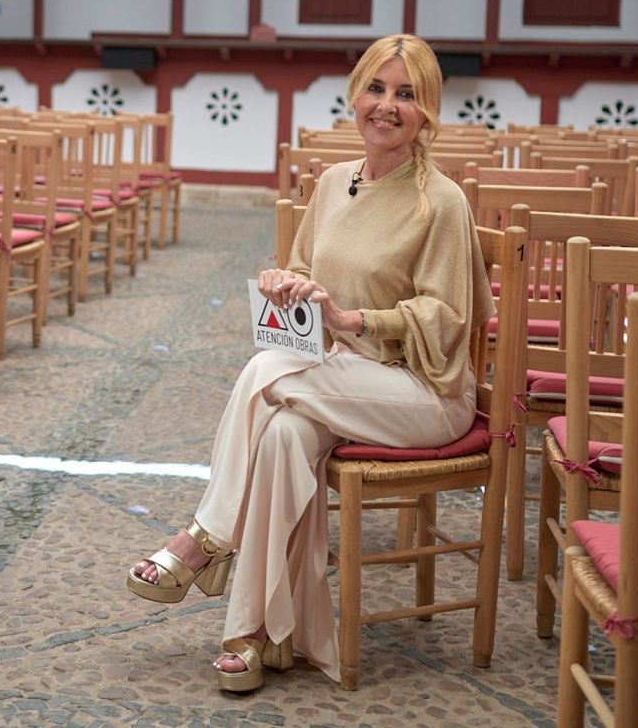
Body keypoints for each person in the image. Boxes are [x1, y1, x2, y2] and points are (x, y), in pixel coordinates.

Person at [126, 34, 493, 692]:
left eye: (406, 94)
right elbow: (304, 269)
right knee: (284, 436)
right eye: (376, 88)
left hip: (423, 390)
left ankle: (205, 537)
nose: (387, 105)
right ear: (356, 93)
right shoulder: (331, 182)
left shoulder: (440, 200)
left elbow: (448, 318)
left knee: (265, 372)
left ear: (428, 109)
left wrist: (355, 320)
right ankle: (262, 632)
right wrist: (283, 284)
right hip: (340, 376)